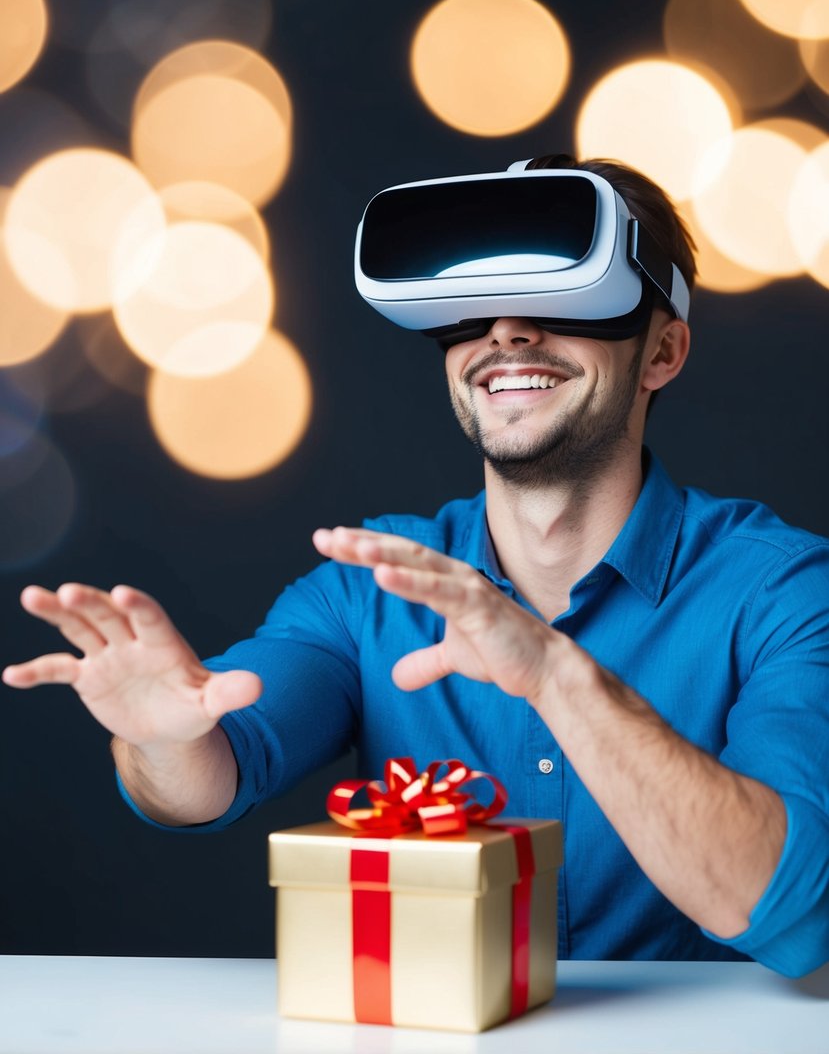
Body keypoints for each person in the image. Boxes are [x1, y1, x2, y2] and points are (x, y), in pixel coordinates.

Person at [4, 155, 828, 977]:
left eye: (561, 298)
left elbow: (780, 903)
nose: (505, 333)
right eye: (469, 310)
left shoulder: (782, 593)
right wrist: (158, 739)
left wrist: (553, 674)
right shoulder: (366, 588)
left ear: (661, 353)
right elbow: (211, 770)